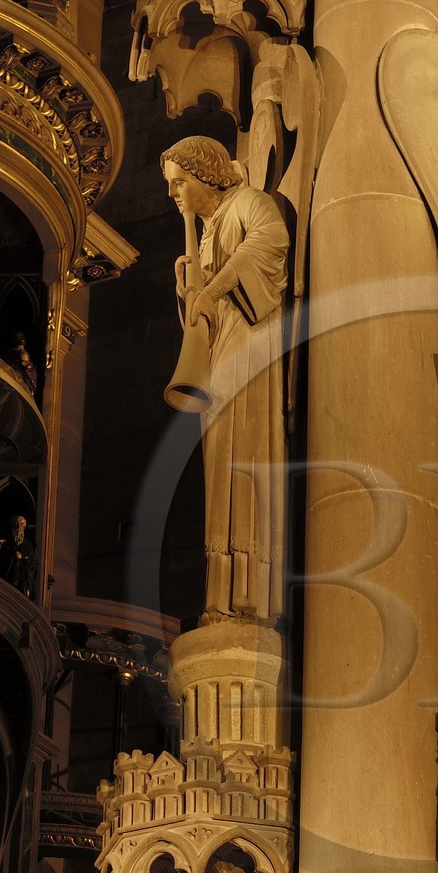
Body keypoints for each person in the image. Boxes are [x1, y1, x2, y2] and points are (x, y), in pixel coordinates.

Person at [161, 137, 289, 623]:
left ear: (203, 176)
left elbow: (270, 242)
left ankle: (248, 587)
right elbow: (199, 318)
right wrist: (187, 288)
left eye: (179, 183)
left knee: (243, 442)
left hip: (250, 339)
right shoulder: (210, 228)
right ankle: (222, 587)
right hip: (220, 349)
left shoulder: (249, 204)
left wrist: (212, 287)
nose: (174, 194)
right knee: (221, 455)